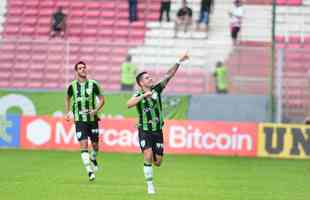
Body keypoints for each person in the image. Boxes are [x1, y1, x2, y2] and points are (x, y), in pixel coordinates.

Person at [127, 53, 189, 194]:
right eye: (147, 78)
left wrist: (178, 61)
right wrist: (143, 96)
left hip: (158, 131)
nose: (150, 79)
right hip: (145, 130)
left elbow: (168, 75)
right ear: (141, 83)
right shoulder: (138, 95)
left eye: (150, 77)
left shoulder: (157, 90)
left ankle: (151, 165)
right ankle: (150, 186)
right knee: (148, 155)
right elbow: (128, 104)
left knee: (158, 162)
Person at [65, 61, 105, 181]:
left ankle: (93, 158)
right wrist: (67, 112)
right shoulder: (72, 86)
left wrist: (95, 110)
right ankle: (89, 171)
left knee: (95, 146)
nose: (83, 69)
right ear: (76, 71)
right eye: (80, 68)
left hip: (92, 119)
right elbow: (67, 98)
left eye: (84, 67)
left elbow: (102, 99)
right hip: (79, 120)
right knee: (83, 145)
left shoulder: (93, 84)